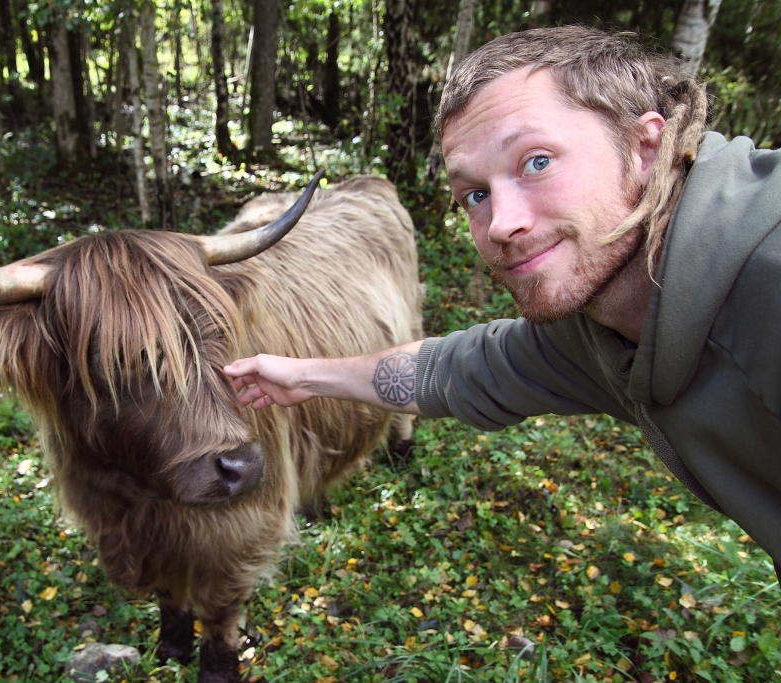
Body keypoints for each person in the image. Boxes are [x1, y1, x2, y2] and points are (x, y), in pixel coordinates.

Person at [222, 25, 781, 572]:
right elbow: (456, 369)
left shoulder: (767, 279)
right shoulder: (595, 332)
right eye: (475, 194)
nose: (501, 224)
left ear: (645, 147)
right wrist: (304, 376)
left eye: (537, 162)